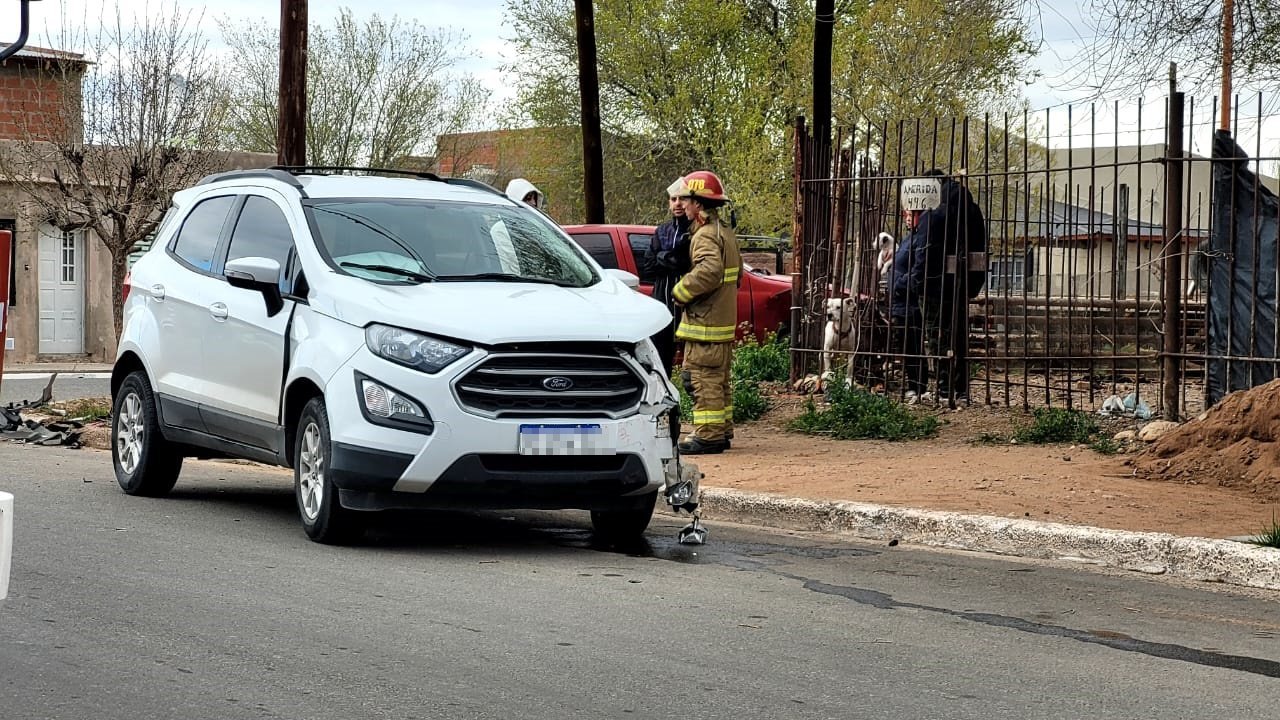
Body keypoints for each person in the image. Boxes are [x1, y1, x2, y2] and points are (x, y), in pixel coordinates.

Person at [896, 170, 988, 404]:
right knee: (958, 337)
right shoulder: (971, 208)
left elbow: (925, 252)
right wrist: (973, 285)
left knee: (937, 337)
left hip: (934, 285)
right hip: (961, 283)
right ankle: (961, 390)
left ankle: (945, 390)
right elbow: (980, 247)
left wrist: (915, 283)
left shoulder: (934, 210)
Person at [670, 170, 741, 454]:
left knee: (700, 378)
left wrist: (680, 292)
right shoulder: (724, 232)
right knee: (718, 381)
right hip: (720, 323)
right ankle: (721, 430)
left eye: (686, 200)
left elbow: (709, 271)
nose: (682, 205)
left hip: (705, 325)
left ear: (698, 203)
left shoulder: (705, 235)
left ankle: (709, 436)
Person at [640, 178, 693, 376]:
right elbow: (648, 266)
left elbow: (685, 262)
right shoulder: (662, 231)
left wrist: (662, 256)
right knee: (661, 351)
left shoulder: (694, 230)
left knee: (691, 352)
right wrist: (669, 258)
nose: (677, 203)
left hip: (687, 298)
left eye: (682, 199)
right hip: (662, 296)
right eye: (673, 199)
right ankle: (664, 384)